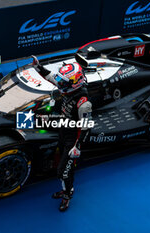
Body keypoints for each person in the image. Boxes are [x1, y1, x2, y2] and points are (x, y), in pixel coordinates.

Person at [32, 55, 92, 211]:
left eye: (64, 82)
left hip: (72, 140)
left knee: (63, 172)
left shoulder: (84, 103)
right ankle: (65, 188)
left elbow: (86, 127)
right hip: (63, 130)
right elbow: (52, 78)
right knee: (59, 163)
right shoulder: (68, 87)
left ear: (75, 82)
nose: (60, 84)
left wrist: (77, 146)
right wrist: (38, 67)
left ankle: (67, 195)